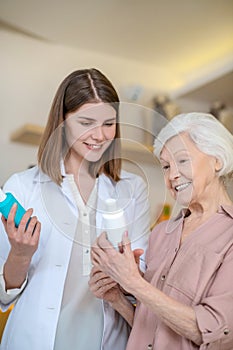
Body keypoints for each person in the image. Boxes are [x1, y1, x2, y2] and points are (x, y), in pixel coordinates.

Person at [0, 68, 150, 350]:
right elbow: (3, 295)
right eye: (86, 122)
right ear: (62, 121)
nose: (100, 135)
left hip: (106, 340)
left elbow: (140, 286)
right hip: (36, 340)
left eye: (109, 123)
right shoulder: (23, 187)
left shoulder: (132, 189)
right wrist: (20, 254)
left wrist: (129, 274)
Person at [91, 112, 233, 350]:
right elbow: (150, 326)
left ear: (216, 159)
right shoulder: (161, 233)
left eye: (183, 160)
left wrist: (134, 282)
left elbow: (215, 332)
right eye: (166, 166)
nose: (172, 175)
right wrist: (116, 297)